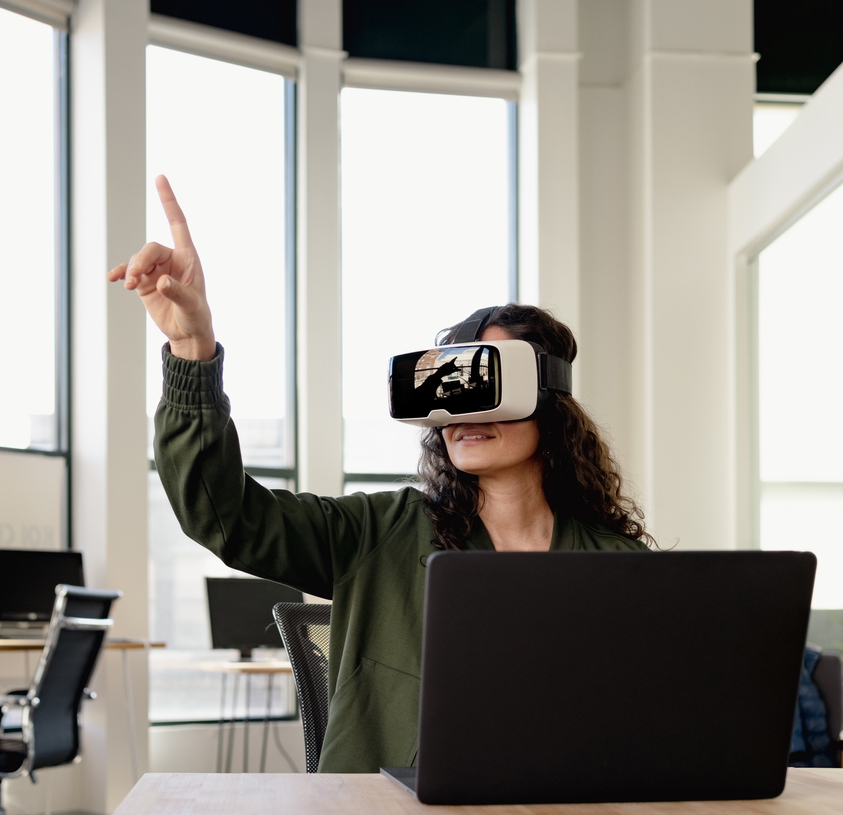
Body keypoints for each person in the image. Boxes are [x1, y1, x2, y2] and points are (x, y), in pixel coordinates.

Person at [109, 176, 652, 773]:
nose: (462, 416)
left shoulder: (615, 564)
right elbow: (228, 519)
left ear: (548, 396)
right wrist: (193, 351)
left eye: (481, 385)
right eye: (443, 393)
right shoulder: (381, 532)